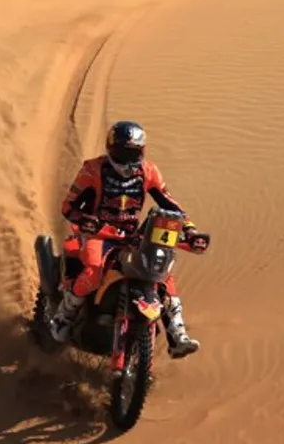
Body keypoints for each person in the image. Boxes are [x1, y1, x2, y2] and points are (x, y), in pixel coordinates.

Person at [48, 119, 209, 359]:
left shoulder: (149, 171)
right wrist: (84, 220)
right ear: (111, 149)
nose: (128, 158)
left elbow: (172, 206)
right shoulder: (92, 170)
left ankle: (177, 334)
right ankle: (64, 316)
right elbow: (68, 206)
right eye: (123, 152)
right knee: (93, 270)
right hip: (98, 234)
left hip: (135, 238)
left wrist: (191, 231)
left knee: (163, 275)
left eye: (133, 152)